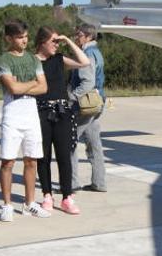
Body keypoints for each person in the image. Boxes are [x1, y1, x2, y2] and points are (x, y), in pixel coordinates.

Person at [0, 20, 49, 220]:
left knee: (31, 159)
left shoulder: (33, 60)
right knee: (8, 161)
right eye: (19, 37)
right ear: (9, 38)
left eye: (26, 36)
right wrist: (32, 83)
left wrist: (23, 85)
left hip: (30, 112)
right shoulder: (4, 60)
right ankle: (7, 205)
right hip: (12, 112)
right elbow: (13, 89)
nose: (24, 40)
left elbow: (43, 87)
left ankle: (29, 203)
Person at [34, 26, 90, 215]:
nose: (57, 45)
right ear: (42, 42)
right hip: (41, 112)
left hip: (62, 112)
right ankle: (47, 195)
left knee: (64, 156)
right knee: (43, 157)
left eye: (58, 42)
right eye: (54, 42)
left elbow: (84, 61)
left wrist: (67, 40)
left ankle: (67, 197)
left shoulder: (58, 59)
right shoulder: (32, 61)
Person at [70, 24, 107, 193]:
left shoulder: (87, 54)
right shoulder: (97, 53)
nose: (76, 37)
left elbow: (88, 82)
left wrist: (72, 96)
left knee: (69, 142)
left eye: (78, 35)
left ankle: (71, 183)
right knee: (94, 143)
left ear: (88, 36)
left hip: (85, 105)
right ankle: (99, 183)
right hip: (96, 103)